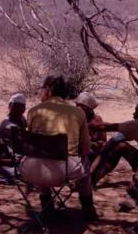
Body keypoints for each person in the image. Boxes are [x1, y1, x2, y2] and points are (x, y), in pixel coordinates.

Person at [21, 75, 98, 220]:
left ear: (49, 90)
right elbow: (85, 149)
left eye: (42, 89)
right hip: (65, 172)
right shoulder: (78, 113)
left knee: (41, 156)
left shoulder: (33, 112)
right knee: (85, 161)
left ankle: (47, 207)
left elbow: (30, 142)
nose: (40, 92)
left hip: (31, 171)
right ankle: (88, 208)